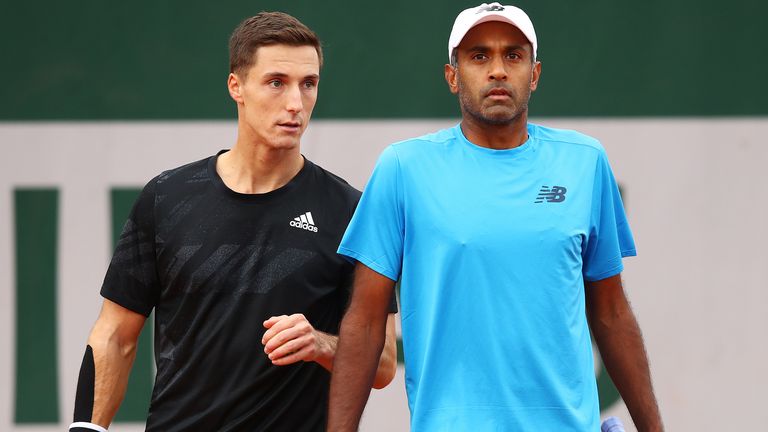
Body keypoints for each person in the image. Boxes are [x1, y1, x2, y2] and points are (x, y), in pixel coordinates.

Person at [328, 3, 663, 431]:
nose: (498, 70)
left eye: (514, 55)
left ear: (535, 74)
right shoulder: (403, 168)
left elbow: (612, 314)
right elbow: (365, 320)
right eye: (479, 55)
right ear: (453, 77)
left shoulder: (585, 162)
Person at [69, 12, 397, 432]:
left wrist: (320, 343)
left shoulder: (351, 212)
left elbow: (384, 363)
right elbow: (115, 334)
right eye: (276, 82)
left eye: (308, 84)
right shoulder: (165, 198)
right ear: (236, 87)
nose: (295, 103)